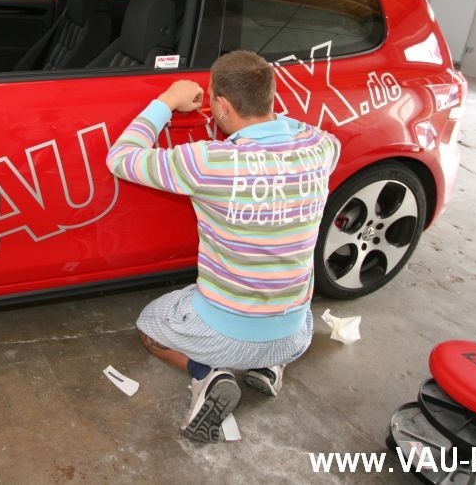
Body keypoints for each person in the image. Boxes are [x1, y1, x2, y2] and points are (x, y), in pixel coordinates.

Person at [105, 50, 340, 442]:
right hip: (294, 334)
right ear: (270, 96)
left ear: (224, 106)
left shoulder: (210, 162)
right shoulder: (320, 147)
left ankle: (207, 375)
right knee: (289, 304)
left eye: (213, 98)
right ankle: (269, 367)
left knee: (150, 325)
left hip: (225, 335)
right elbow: (311, 134)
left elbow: (121, 157)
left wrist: (168, 100)